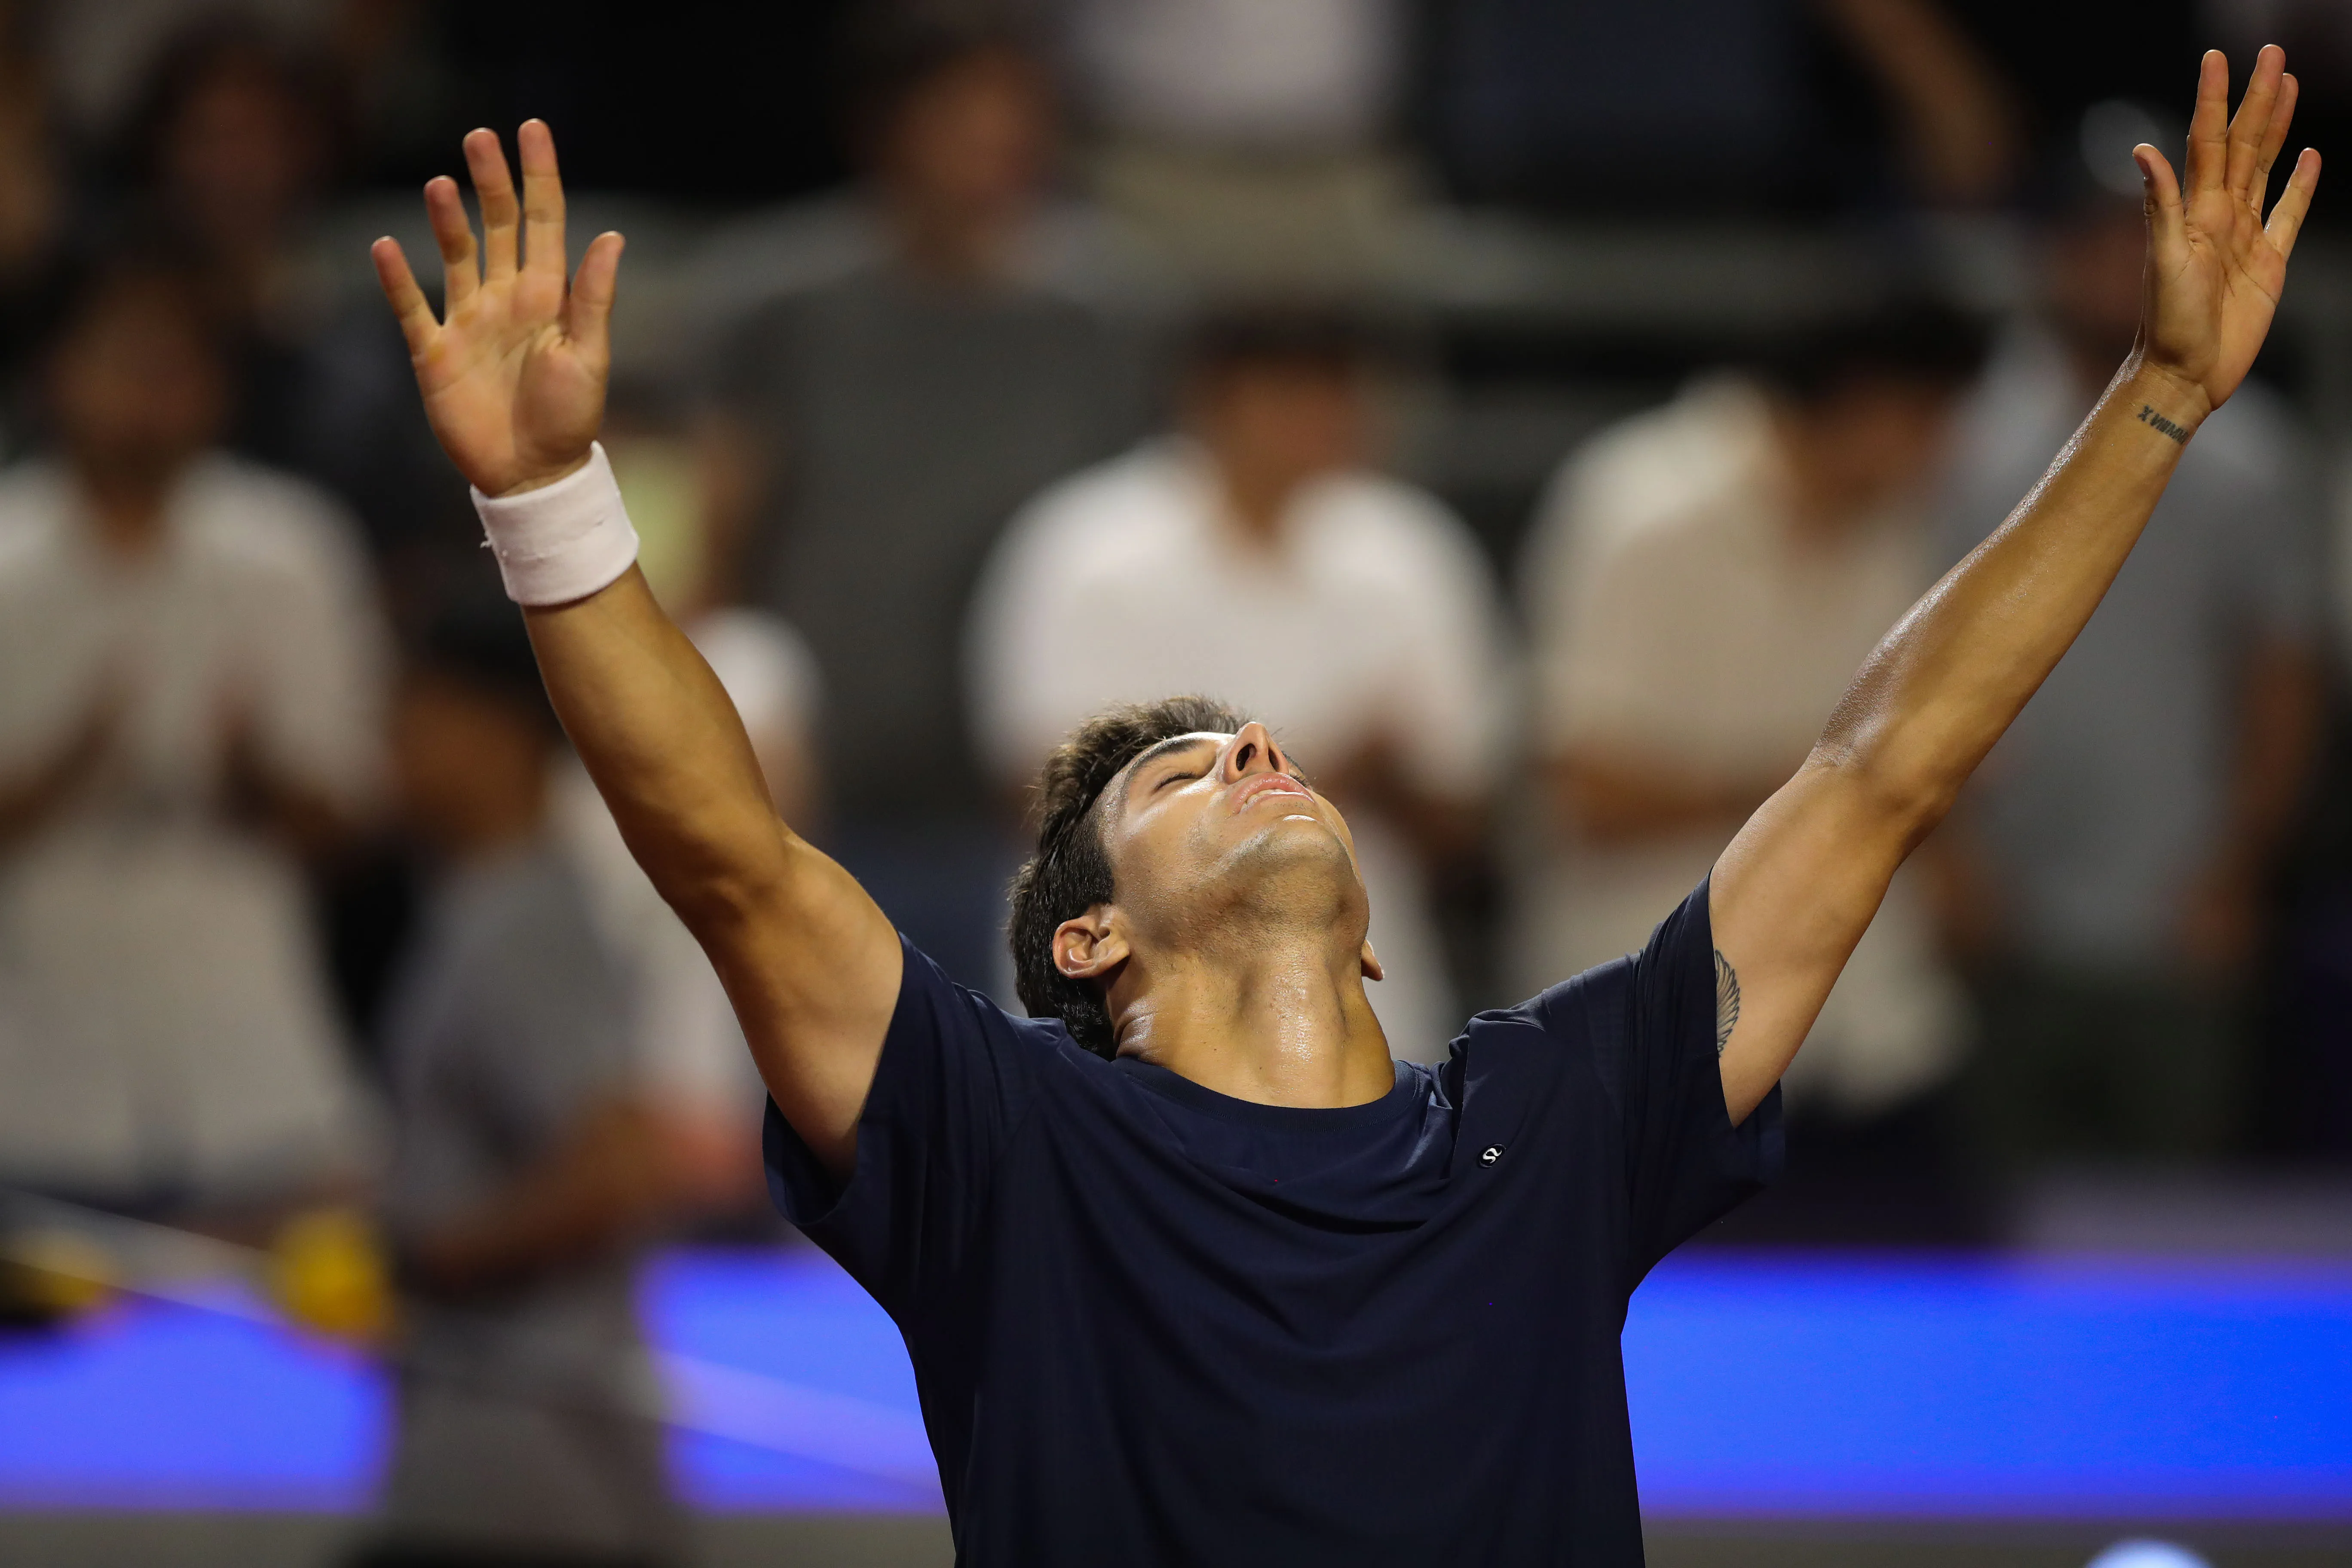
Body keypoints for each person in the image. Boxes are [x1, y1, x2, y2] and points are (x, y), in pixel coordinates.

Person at [369, 47, 2317, 1562]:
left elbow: (1877, 763)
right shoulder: (1008, 1144)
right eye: (1169, 771)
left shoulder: (1552, 1114)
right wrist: (549, 501)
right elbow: (726, 849)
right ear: (1087, 940)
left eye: (1261, 746)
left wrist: (2151, 392)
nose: (1253, 754)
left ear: (1377, 924)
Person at [698, 4, 1150, 989]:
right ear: (883, 126)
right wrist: (729, 715)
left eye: (1016, 114)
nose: (994, 144)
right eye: (960, 114)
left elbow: (1151, 544)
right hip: (819, 801)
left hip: (1037, 824)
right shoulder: (783, 308)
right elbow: (709, 541)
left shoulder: (1107, 320)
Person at [1516, 300, 1984, 1234]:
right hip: (1657, 1032)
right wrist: (1826, 794)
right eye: (1935, 424)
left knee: (1917, 1343)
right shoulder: (1639, 510)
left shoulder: (1892, 530)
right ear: (1870, 407)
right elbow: (1581, 788)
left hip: (1871, 1027)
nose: (1950, 454)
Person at [1938, 107, 2326, 1172]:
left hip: (2177, 907)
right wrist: (1949, 863)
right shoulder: (1964, 440)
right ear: (2047, 254)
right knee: (1994, 1242)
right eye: (2097, 236)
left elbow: (2283, 676)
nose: (2120, 261)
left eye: (2142, 235)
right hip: (2005, 908)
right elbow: (1906, 662)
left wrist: (2244, 870)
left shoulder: (2250, 455)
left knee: (2173, 1235)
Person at [970, 305, 1507, 1059]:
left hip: (1357, 994)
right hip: (1129, 998)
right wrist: (1294, 787)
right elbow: (1036, 797)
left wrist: (1368, 780)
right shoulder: (1087, 550)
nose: (1317, 419)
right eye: (1287, 394)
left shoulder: (1411, 553)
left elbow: (1463, 814)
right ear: (1209, 401)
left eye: (1336, 394)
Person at [0, 244, 383, 1226]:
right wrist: (67, 766)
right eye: (127, 360)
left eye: (179, 368)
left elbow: (354, 829)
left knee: (269, 1366)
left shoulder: (292, 550)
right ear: (58, 372)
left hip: (252, 1071)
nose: (151, 395)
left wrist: (253, 775)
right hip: (36, 1081)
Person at [368, 594, 704, 1568]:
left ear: (496, 733)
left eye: (415, 706)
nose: (389, 733)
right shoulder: (478, 910)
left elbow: (621, 1165)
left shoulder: (526, 926)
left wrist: (425, 1260)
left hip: (531, 1491)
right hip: (492, 1477)